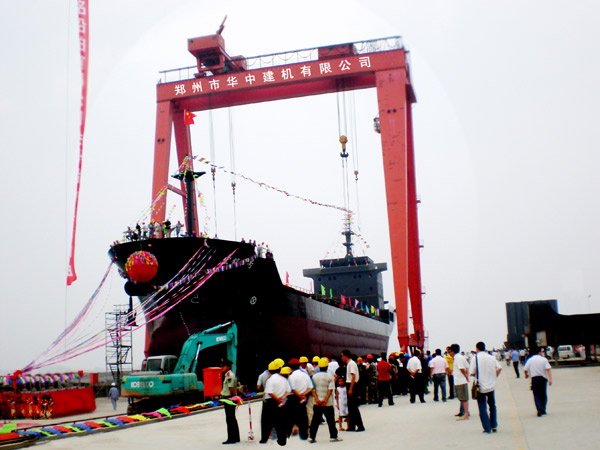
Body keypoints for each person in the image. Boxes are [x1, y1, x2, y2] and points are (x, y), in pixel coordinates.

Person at [470, 342, 502, 433]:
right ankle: (494, 425)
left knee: (482, 407)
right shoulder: (491, 357)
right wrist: (494, 377)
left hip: (481, 387)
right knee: (492, 406)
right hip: (491, 386)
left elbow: (472, 372)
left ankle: (487, 428)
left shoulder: (475, 358)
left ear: (477, 349)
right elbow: (499, 368)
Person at [309, 358, 342, 443]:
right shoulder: (330, 376)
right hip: (328, 403)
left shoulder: (314, 377)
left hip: (317, 402)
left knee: (315, 420)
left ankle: (312, 437)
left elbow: (312, 389)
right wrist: (325, 400)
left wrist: (317, 399)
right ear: (327, 367)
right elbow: (330, 389)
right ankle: (333, 436)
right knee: (331, 420)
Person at [261, 362, 291, 446]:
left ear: (269, 371)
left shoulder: (270, 380)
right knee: (280, 422)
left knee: (267, 421)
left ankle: (264, 439)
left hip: (271, 402)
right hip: (282, 402)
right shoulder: (284, 379)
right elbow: (288, 391)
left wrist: (277, 399)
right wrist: (282, 398)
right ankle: (282, 440)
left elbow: (269, 392)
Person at [286, 359, 312, 440]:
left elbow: (293, 389)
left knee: (292, 415)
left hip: (294, 398)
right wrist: (304, 394)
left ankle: (290, 432)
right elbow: (310, 387)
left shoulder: (291, 376)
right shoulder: (305, 375)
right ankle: (304, 435)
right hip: (304, 398)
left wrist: (300, 396)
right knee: (303, 416)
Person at [524, 347, 552, 417]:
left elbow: (525, 369)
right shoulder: (544, 359)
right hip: (543, 379)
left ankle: (538, 408)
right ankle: (543, 409)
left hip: (534, 379)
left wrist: (526, 375)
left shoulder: (530, 360)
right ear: (539, 353)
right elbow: (548, 369)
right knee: (543, 394)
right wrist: (550, 379)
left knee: (536, 395)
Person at [340, 350, 365, 432]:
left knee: (353, 407)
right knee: (350, 407)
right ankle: (352, 426)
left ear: (346, 356)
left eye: (342, 356)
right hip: (351, 384)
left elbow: (353, 376)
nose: (341, 357)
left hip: (352, 385)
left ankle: (360, 426)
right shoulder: (349, 364)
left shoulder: (351, 364)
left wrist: (350, 388)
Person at [220, 360, 240, 445]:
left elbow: (231, 388)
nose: (222, 368)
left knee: (230, 419)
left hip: (229, 398)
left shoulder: (229, 375)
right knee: (232, 418)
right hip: (229, 397)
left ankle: (232, 438)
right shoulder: (228, 375)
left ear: (228, 367)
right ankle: (236, 437)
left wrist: (235, 397)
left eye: (223, 366)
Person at [449, 343, 470, 420]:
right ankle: (465, 412)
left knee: (463, 398)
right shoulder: (460, 357)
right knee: (462, 397)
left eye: (450, 351)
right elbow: (467, 367)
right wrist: (466, 375)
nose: (449, 353)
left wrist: (465, 376)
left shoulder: (458, 358)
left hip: (460, 380)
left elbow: (462, 368)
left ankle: (466, 414)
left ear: (453, 351)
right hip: (460, 380)